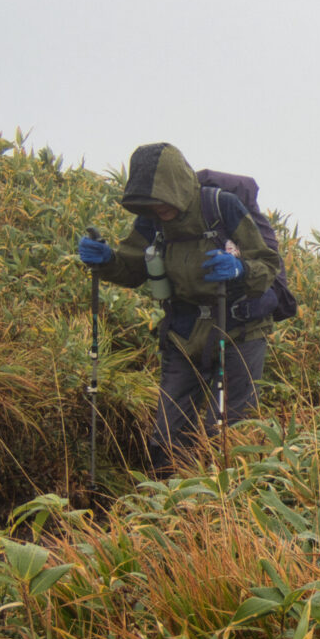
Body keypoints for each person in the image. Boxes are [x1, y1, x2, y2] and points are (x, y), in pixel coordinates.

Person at [78, 143, 280, 475]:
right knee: (169, 434)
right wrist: (108, 261)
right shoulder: (151, 220)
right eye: (149, 204)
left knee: (236, 431)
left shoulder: (222, 206)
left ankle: (235, 508)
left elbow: (268, 264)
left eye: (160, 200)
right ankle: (173, 507)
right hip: (183, 330)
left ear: (176, 187)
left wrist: (241, 269)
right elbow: (132, 269)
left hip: (240, 327)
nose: (157, 209)